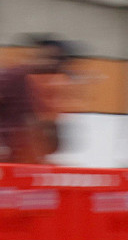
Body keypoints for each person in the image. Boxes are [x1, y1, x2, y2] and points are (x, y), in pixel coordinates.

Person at [0, 36, 76, 164]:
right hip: (12, 159)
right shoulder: (14, 77)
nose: (50, 64)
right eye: (46, 57)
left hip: (26, 160)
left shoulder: (51, 86)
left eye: (56, 60)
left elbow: (52, 140)